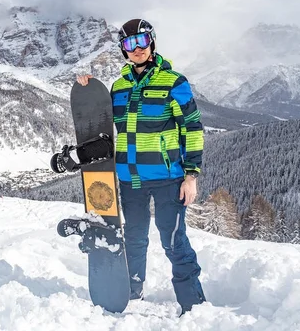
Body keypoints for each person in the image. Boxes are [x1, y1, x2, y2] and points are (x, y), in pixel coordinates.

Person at [77, 18, 206, 315]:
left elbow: (193, 127)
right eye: (128, 44)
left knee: (174, 241)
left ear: (152, 43)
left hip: (167, 178)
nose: (136, 49)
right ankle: (132, 292)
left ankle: (193, 303)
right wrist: (88, 89)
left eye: (141, 41)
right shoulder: (118, 87)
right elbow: (101, 125)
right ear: (123, 49)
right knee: (133, 239)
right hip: (129, 178)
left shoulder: (174, 82)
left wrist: (191, 175)